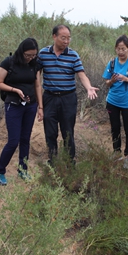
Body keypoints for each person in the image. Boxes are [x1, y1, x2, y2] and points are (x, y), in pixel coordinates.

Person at [36, 24, 99, 163]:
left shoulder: (73, 55)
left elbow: (81, 75)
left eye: (69, 38)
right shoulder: (43, 54)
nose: (66, 41)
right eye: (63, 38)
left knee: (68, 131)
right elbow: (36, 76)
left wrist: (89, 87)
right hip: (49, 97)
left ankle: (70, 162)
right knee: (50, 132)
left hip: (68, 98)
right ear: (54, 37)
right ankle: (53, 161)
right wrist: (39, 103)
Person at [0, 38, 43, 185]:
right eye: (28, 55)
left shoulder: (35, 64)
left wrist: (40, 107)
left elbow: (37, 86)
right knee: (13, 141)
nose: (30, 58)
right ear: (21, 51)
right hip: (13, 105)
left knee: (25, 139)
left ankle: (23, 170)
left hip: (30, 105)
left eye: (33, 55)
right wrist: (15, 90)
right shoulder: (9, 62)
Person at [102, 35, 128, 170]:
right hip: (112, 101)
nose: (121, 52)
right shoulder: (112, 63)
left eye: (123, 49)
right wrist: (112, 81)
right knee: (115, 128)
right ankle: (116, 152)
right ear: (115, 49)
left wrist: (126, 79)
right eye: (118, 49)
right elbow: (106, 83)